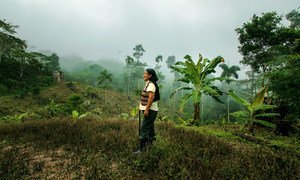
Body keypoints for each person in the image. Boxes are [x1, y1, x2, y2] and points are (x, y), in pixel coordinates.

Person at [133, 68, 160, 154]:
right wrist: (141, 107)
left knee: (144, 129)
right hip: (150, 110)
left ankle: (141, 150)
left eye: (145, 73)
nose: (143, 75)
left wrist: (146, 110)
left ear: (150, 75)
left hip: (151, 111)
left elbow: (151, 98)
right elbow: (146, 98)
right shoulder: (148, 84)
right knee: (150, 129)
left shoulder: (151, 85)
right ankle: (151, 146)